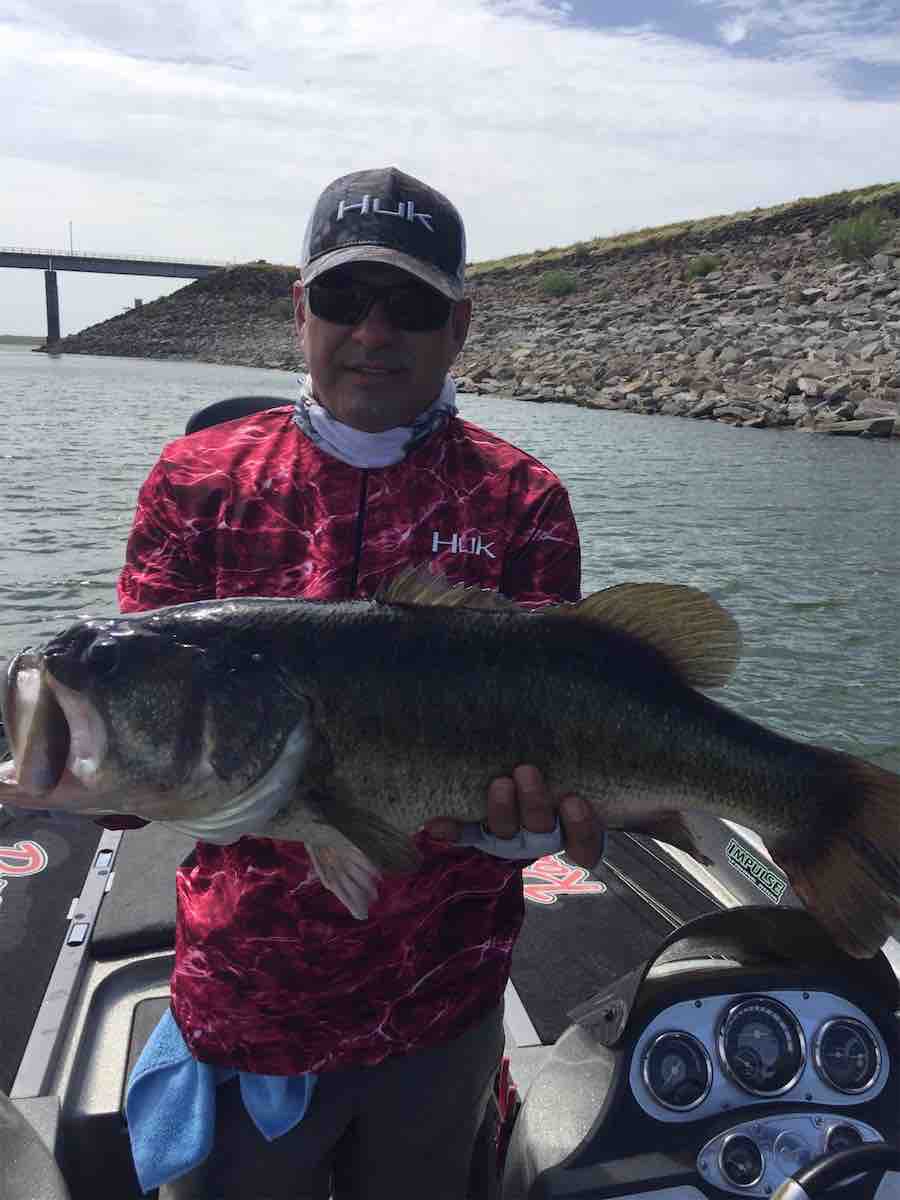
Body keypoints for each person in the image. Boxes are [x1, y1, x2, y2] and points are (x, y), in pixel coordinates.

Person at [117, 166, 603, 1200]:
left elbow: (562, 718)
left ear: (459, 327)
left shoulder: (523, 500)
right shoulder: (194, 482)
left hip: (444, 1008)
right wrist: (85, 771)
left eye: (411, 306)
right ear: (301, 311)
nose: (373, 332)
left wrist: (528, 826)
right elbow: (136, 744)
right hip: (247, 1007)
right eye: (344, 298)